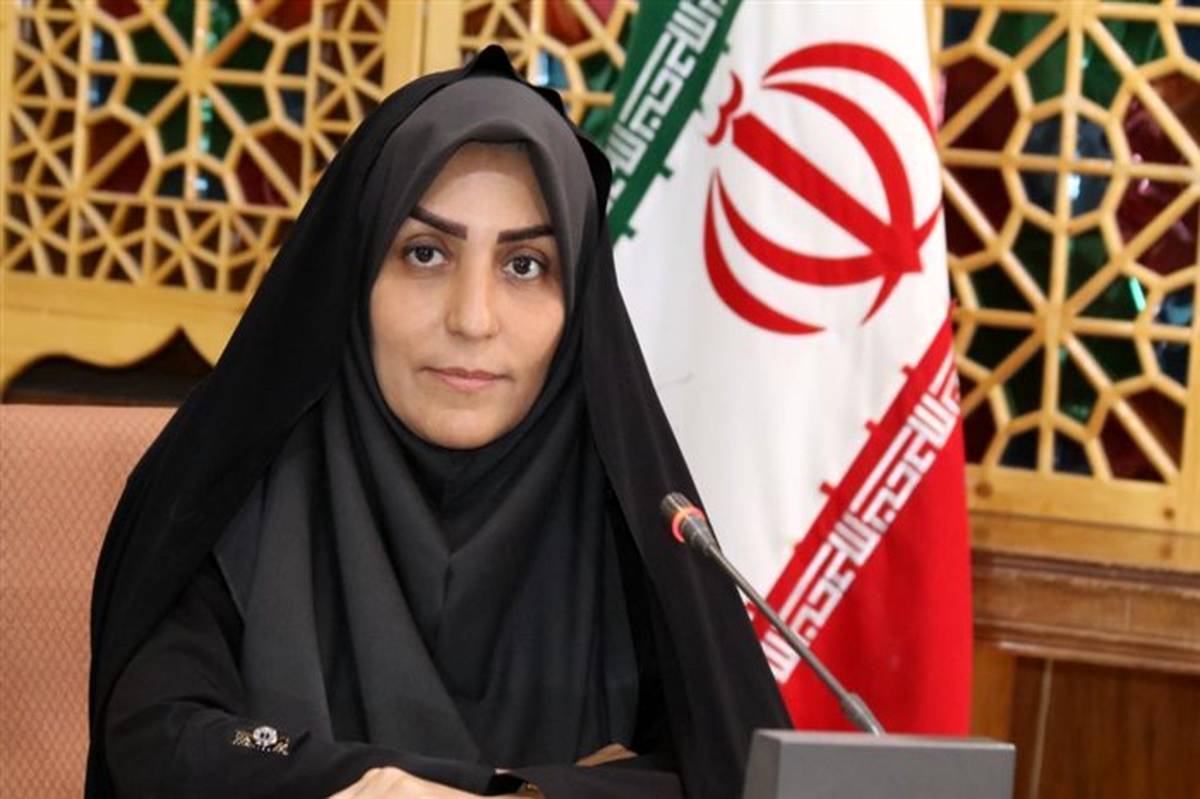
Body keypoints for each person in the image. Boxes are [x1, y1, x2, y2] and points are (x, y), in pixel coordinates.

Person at [86, 45, 791, 798]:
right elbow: (162, 741)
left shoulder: (638, 524)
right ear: (356, 270)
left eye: (525, 265)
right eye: (425, 253)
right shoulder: (224, 483)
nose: (472, 318)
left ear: (579, 300)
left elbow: (731, 777)